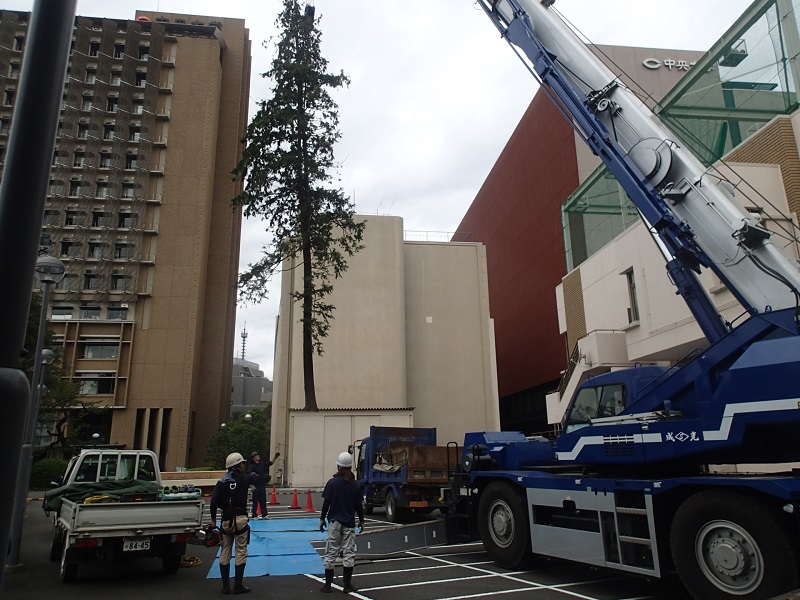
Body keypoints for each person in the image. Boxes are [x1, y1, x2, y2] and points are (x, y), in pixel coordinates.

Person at [209, 452, 258, 595]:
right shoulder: (245, 478)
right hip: (240, 519)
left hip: (226, 520)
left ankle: (225, 586)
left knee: (225, 551)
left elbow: (213, 502)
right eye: (241, 463)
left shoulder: (222, 482)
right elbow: (256, 479)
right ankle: (238, 585)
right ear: (237, 466)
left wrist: (213, 520)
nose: (243, 465)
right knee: (241, 550)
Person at [319, 451, 364, 594]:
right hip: (349, 523)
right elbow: (359, 506)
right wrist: (362, 521)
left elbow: (326, 503)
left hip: (334, 522)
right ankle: (347, 585)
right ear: (350, 467)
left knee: (331, 552)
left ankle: (327, 586)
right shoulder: (355, 485)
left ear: (338, 466)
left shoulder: (332, 483)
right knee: (349, 553)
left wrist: (321, 519)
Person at [248, 450, 280, 519]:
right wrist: (251, 485)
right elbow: (249, 476)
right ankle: (254, 515)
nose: (258, 456)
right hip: (256, 485)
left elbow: (270, 463)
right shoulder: (252, 466)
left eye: (258, 455)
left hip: (262, 485)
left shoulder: (262, 464)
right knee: (255, 501)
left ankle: (264, 514)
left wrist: (275, 457)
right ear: (253, 458)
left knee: (263, 500)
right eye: (256, 456)